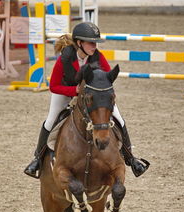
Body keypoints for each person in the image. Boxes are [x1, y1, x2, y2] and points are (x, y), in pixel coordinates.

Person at [24, 22, 148, 179]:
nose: (94, 46)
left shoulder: (97, 56)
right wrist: (74, 90)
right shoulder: (65, 59)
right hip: (66, 93)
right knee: (50, 121)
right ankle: (37, 160)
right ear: (79, 43)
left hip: (91, 97)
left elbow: (106, 79)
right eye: (91, 42)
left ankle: (131, 158)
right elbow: (54, 86)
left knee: (119, 119)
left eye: (95, 42)